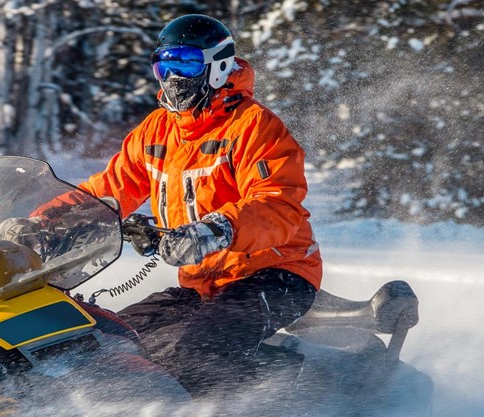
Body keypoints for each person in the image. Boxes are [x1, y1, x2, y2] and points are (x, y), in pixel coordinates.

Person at [74, 13, 322, 396]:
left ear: (219, 66)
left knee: (199, 352)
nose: (173, 77)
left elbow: (278, 205)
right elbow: (107, 189)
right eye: (164, 64)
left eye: (186, 63)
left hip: (277, 272)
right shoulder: (156, 131)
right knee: (110, 341)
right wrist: (47, 221)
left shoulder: (253, 126)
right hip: (205, 281)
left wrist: (217, 229)